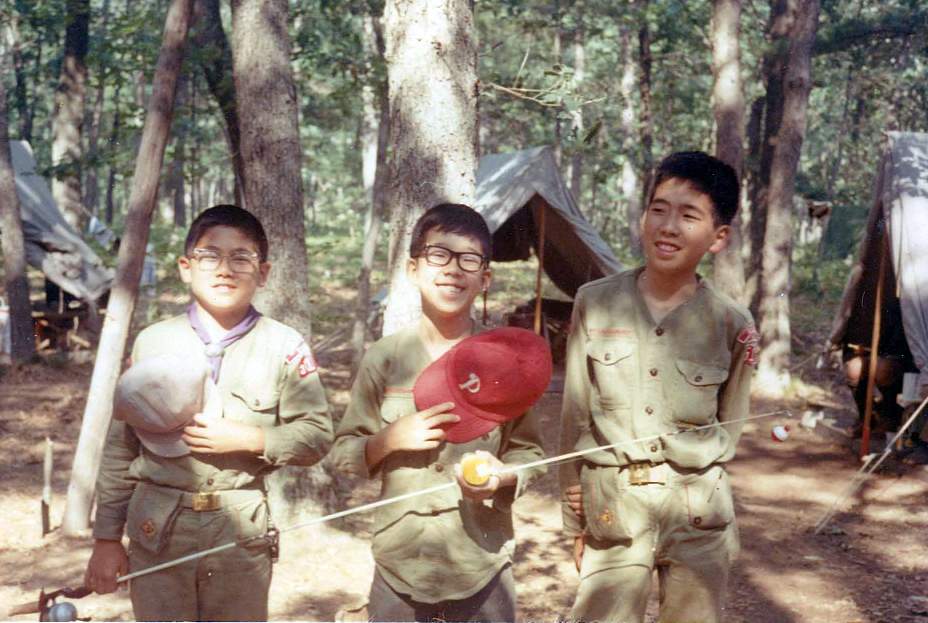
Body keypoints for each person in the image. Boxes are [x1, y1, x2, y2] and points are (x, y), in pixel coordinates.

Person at [83, 205, 334, 621]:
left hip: (240, 531)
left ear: (264, 272)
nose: (225, 269)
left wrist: (251, 439)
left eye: (241, 257)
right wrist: (106, 538)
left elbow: (317, 435)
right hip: (158, 528)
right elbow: (120, 449)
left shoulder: (284, 346)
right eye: (209, 256)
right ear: (186, 267)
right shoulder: (153, 342)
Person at [559, 152, 756, 623]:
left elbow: (731, 426)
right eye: (659, 208)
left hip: (698, 515)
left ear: (718, 237)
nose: (668, 226)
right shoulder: (595, 303)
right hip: (613, 507)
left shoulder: (732, 323)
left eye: (689, 215)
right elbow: (575, 415)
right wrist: (574, 515)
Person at [331, 203, 547, 622]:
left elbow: (531, 454)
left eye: (469, 259)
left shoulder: (503, 360)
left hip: (481, 562)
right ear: (413, 269)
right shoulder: (385, 357)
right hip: (400, 563)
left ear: (485, 278)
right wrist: (386, 441)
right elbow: (343, 453)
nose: (452, 269)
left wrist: (503, 478)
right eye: (438, 255)